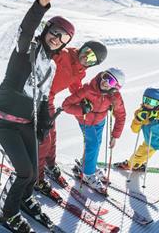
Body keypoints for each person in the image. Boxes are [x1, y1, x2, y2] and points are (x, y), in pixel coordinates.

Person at [0, 0, 75, 231]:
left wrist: (45, 121)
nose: (58, 39)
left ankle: (24, 199)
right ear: (47, 30)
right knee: (23, 172)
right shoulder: (28, 48)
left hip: (26, 122)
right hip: (2, 119)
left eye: (64, 38)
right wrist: (40, 5)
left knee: (34, 172)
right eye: (56, 32)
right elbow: (26, 30)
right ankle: (7, 213)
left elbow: (44, 97)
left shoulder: (51, 66)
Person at [35, 40, 108, 193]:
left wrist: (88, 102)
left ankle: (50, 165)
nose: (85, 58)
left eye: (91, 59)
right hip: (35, 97)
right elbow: (42, 61)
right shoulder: (64, 55)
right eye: (86, 52)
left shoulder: (81, 71)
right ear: (82, 48)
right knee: (43, 140)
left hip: (48, 100)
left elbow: (76, 87)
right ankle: (37, 177)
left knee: (52, 135)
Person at [61, 68, 126, 194]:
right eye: (105, 76)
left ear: (116, 87)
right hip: (85, 121)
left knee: (97, 144)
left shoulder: (114, 96)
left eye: (111, 81)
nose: (105, 81)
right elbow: (66, 105)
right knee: (93, 145)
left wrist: (115, 135)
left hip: (100, 121)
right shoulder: (87, 89)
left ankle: (87, 164)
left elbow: (121, 115)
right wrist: (82, 109)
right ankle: (88, 174)